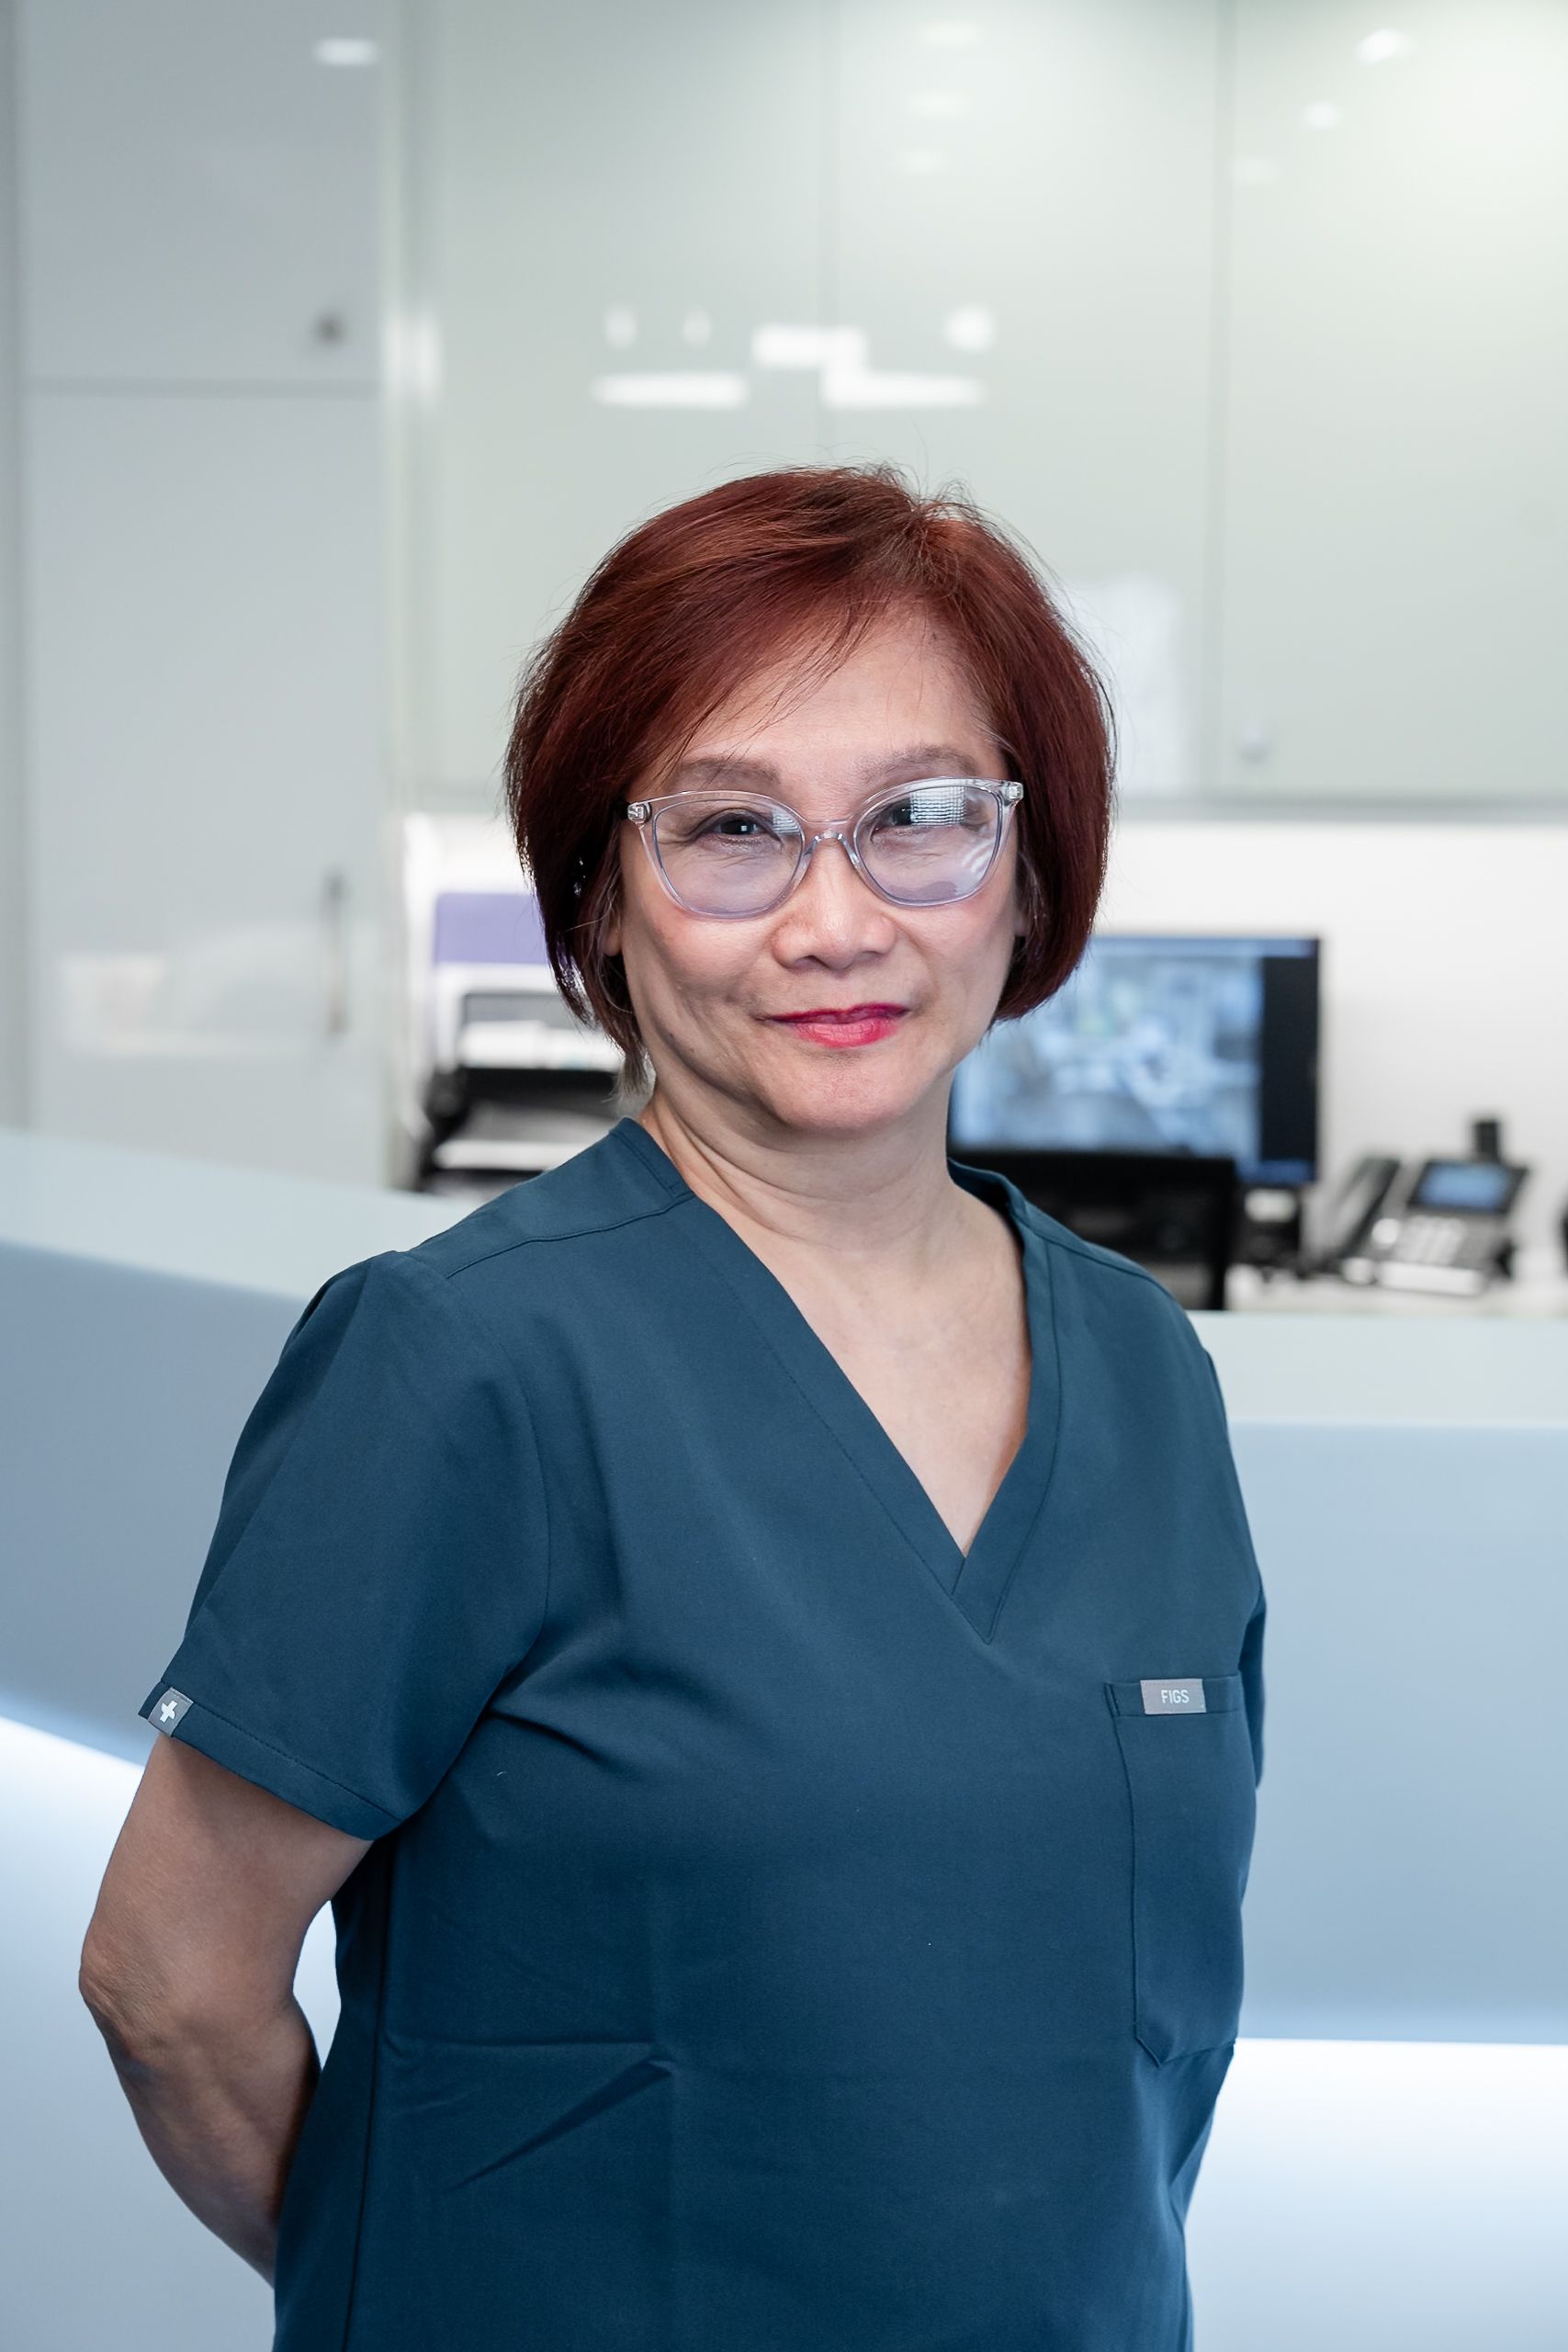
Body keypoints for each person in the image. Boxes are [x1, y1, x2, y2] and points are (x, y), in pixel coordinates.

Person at [80, 461, 1266, 2350]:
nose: (834, 918)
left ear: (1025, 868)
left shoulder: (1142, 1366)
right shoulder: (459, 1359)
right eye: (729, 829)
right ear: (599, 900)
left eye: (921, 820)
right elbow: (169, 1976)